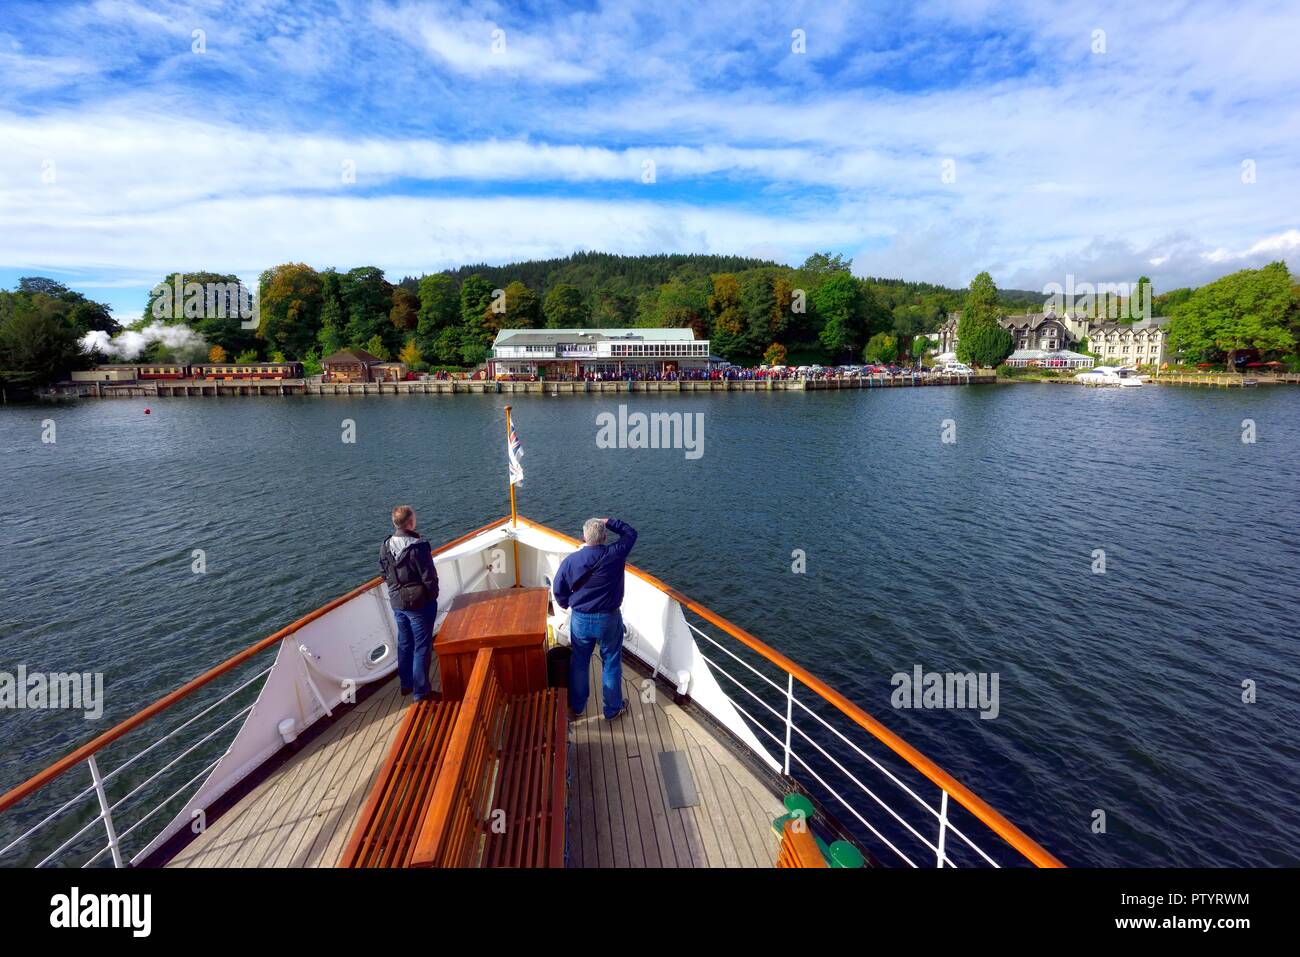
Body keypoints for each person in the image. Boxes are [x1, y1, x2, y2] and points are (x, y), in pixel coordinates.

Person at [553, 517, 637, 721]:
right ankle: (612, 709)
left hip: (581, 619)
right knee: (611, 663)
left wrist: (565, 604)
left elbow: (558, 589)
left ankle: (579, 706)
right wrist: (608, 521)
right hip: (609, 619)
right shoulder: (615, 554)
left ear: (584, 537)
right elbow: (630, 533)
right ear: (605, 537)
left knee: (580, 662)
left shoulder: (570, 561)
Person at [378, 505, 440, 702]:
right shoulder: (418, 546)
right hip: (418, 605)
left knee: (405, 643)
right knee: (422, 646)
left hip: (397, 602)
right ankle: (421, 692)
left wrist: (396, 589)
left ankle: (406, 684)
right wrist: (432, 597)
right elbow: (429, 577)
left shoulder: (385, 545)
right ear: (410, 522)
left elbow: (383, 572)